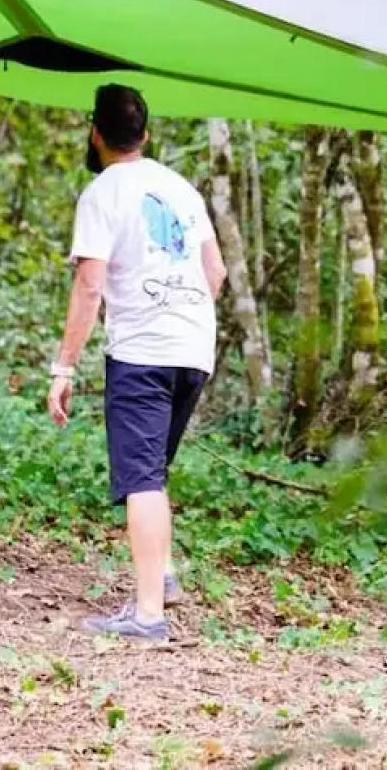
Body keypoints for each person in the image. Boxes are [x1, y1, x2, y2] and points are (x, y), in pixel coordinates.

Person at [47, 83, 226, 644]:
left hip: (143, 352)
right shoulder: (182, 189)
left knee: (143, 476)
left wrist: (64, 367)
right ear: (145, 134)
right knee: (153, 468)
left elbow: (90, 284)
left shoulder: (102, 193)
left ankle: (148, 614)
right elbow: (216, 274)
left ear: (95, 133)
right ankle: (163, 576)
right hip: (195, 347)